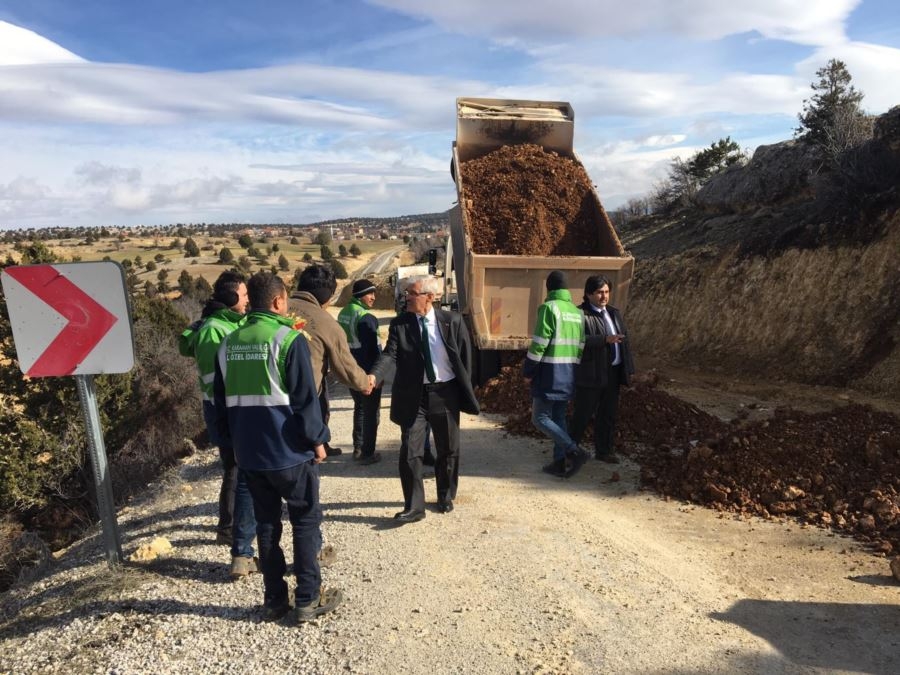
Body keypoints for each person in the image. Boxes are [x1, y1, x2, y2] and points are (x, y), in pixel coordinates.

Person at [212, 271, 342, 623]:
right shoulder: (288, 339)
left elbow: (220, 402)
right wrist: (318, 440)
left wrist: (231, 445)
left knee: (267, 525)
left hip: (250, 455)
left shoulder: (228, 344)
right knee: (305, 521)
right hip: (289, 452)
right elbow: (305, 400)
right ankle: (307, 598)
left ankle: (274, 600)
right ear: (277, 301)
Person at [369, 275, 480, 522]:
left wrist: (466, 389)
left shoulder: (451, 322)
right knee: (410, 450)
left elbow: (465, 358)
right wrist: (374, 376)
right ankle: (414, 506)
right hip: (414, 396)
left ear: (430, 297)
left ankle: (445, 495)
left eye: (412, 293)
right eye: (406, 293)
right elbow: (389, 355)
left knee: (448, 448)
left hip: (445, 393)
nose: (406, 297)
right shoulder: (400, 324)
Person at [178, 271, 258, 578]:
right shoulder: (214, 330)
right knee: (234, 467)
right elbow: (217, 379)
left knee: (237, 466)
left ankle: (233, 524)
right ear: (231, 297)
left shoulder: (229, 323)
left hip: (230, 406)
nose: (248, 299)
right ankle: (227, 528)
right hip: (222, 407)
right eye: (244, 294)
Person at [289, 265, 373, 455]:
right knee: (303, 459)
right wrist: (364, 383)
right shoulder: (325, 322)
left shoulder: (277, 308)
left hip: (264, 398)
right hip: (303, 398)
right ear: (326, 295)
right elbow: (344, 365)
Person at [523, 270, 588, 478]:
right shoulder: (577, 313)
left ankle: (574, 451)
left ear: (549, 289)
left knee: (540, 418)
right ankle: (559, 462)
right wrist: (572, 369)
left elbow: (539, 344)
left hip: (549, 373)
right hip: (568, 373)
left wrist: (528, 371)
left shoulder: (549, 308)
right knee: (559, 416)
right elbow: (581, 345)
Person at [568, 275, 635, 464]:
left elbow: (625, 342)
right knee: (582, 415)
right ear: (589, 294)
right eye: (599, 292)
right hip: (591, 373)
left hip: (613, 373)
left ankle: (604, 451)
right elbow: (575, 340)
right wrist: (603, 339)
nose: (604, 296)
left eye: (606, 292)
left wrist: (628, 368)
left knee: (607, 414)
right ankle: (568, 451)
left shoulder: (614, 313)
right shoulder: (580, 314)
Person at [337, 279, 383, 465]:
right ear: (360, 295)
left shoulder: (343, 313)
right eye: (369, 293)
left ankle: (358, 447)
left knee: (360, 407)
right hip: (367, 373)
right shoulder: (366, 318)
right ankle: (367, 453)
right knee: (371, 413)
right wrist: (378, 374)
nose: (373, 297)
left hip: (350, 371)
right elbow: (375, 350)